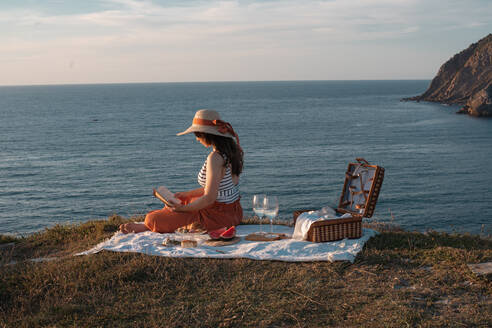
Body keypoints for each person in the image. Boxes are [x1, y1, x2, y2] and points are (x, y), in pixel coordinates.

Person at [119, 109, 244, 234]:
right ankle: (164, 220)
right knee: (182, 201)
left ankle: (148, 226)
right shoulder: (231, 153)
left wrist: (183, 209)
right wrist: (186, 195)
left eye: (197, 135)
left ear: (206, 134)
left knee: (152, 219)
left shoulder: (215, 158)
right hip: (234, 212)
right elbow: (218, 189)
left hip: (217, 216)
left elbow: (210, 198)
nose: (197, 139)